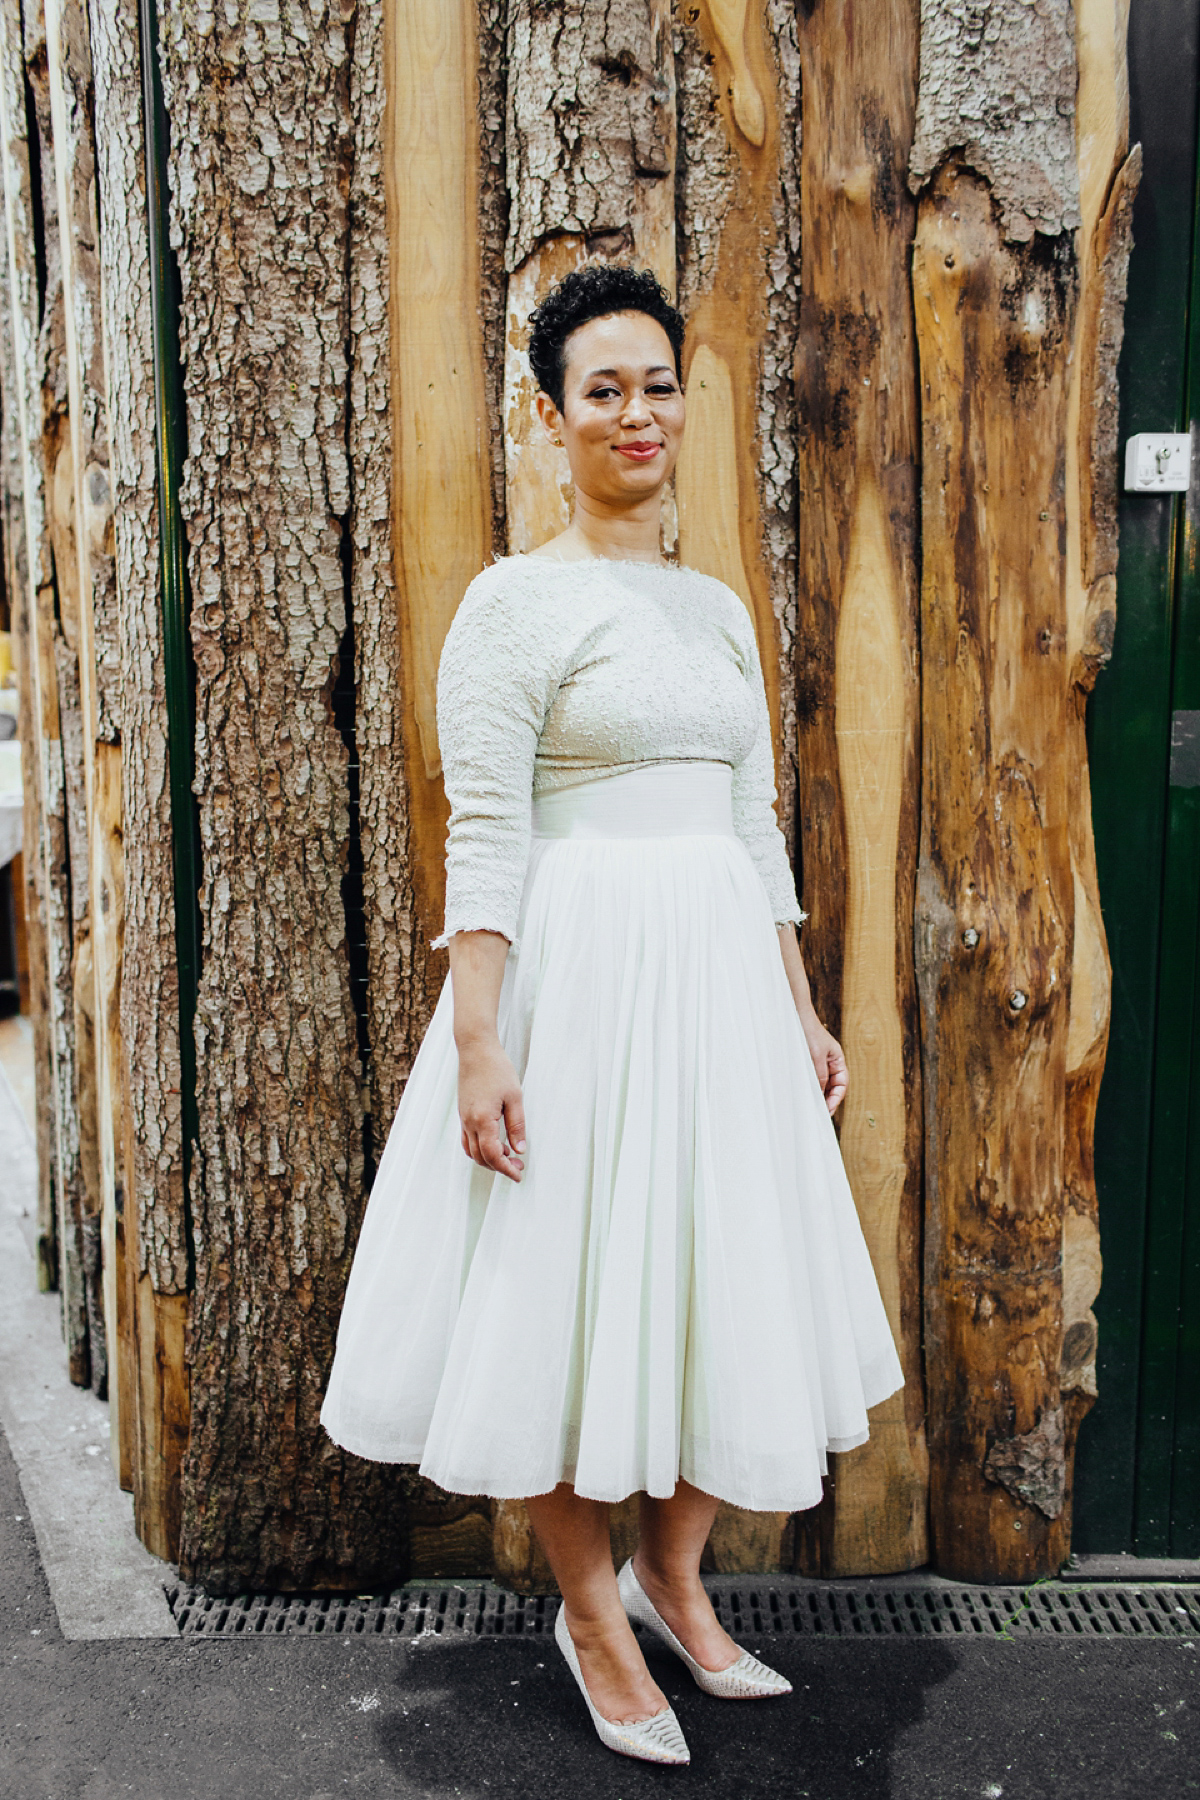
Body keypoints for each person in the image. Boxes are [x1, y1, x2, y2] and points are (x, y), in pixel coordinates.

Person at [321, 263, 904, 1766]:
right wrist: (477, 1036)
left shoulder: (714, 613)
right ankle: (592, 1612)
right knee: (557, 1303)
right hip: (580, 987)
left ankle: (675, 1575)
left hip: (719, 989)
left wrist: (798, 1006)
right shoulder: (515, 606)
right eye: (603, 389)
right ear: (551, 416)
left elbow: (753, 823)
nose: (635, 412)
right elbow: (491, 834)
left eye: (655, 385)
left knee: (727, 1278)